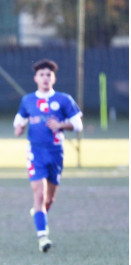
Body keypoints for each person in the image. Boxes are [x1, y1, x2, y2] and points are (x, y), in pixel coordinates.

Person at [13, 59, 83, 253]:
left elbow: (78, 124)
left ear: (54, 78)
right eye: (42, 74)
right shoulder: (27, 100)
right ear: (36, 78)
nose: (45, 78)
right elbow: (18, 122)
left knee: (49, 199)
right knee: (40, 194)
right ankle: (42, 236)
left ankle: (39, 213)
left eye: (48, 74)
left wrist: (62, 125)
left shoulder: (64, 99)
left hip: (56, 153)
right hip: (35, 153)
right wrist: (19, 128)